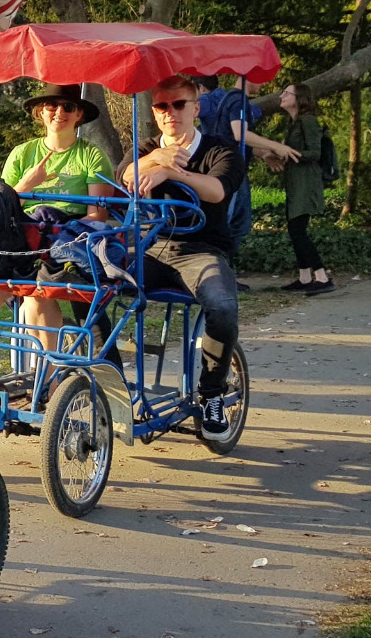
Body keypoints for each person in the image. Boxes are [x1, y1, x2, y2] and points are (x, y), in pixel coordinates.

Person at [119, 75, 245, 443]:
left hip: (201, 250)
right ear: (155, 113)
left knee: (222, 307)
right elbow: (123, 175)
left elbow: (217, 190)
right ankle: (110, 380)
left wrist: (173, 172)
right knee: (85, 278)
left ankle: (211, 394)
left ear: (196, 108)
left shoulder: (220, 149)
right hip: (150, 248)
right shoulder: (146, 147)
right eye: (162, 106)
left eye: (178, 105)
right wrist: (156, 158)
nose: (170, 112)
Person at [0, 84, 113, 381]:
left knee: (36, 295)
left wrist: (60, 239)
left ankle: (50, 378)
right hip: (16, 246)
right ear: (40, 112)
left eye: (68, 107)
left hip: (60, 245)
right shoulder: (23, 153)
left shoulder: (92, 156)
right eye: (52, 106)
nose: (59, 112)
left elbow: (96, 217)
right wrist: (28, 183)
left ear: (79, 114)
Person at [195, 74, 298, 263]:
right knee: (232, 222)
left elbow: (230, 137)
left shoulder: (231, 99)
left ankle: (225, 269)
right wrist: (276, 146)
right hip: (231, 171)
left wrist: (263, 153)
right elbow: (239, 133)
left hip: (229, 168)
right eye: (261, 76)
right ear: (249, 76)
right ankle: (222, 269)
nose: (264, 81)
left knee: (235, 222)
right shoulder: (237, 101)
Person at [272, 82, 333, 294]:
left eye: (287, 93)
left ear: (299, 99)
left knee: (298, 230)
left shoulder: (308, 121)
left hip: (306, 184)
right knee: (294, 229)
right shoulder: (295, 122)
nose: (282, 96)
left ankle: (322, 276)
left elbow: (315, 153)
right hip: (296, 182)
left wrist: (289, 152)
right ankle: (305, 276)